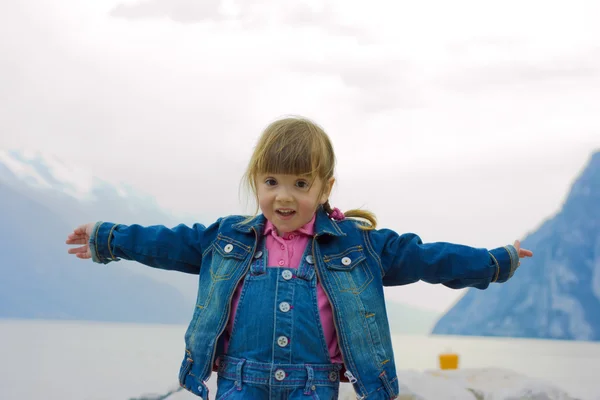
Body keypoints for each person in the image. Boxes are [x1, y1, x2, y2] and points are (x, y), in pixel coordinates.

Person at [66, 116, 533, 400]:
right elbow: (164, 243)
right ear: (256, 183)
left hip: (314, 386)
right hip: (239, 383)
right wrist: (109, 239)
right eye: (271, 182)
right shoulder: (227, 239)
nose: (283, 196)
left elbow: (428, 258)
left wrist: (492, 262)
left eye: (300, 184)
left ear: (325, 187)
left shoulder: (358, 245)